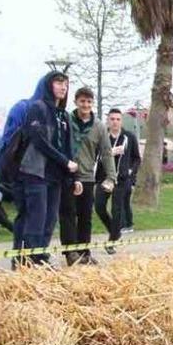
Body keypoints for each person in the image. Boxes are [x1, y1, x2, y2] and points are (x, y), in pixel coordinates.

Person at [13, 71, 79, 268]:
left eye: (66, 84)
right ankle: (26, 261)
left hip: (55, 177)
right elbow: (38, 140)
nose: (63, 87)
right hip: (34, 173)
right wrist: (64, 161)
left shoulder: (64, 116)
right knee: (34, 219)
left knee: (49, 222)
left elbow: (68, 148)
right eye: (58, 82)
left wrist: (73, 176)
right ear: (48, 85)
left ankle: (39, 259)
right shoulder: (38, 108)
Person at [59, 88, 116, 266]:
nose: (86, 105)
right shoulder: (66, 120)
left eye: (89, 102)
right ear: (76, 102)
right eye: (82, 101)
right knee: (68, 214)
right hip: (67, 175)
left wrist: (111, 177)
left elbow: (106, 153)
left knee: (85, 217)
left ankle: (84, 252)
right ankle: (70, 252)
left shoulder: (98, 126)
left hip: (87, 177)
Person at [94, 108, 140, 254]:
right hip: (105, 178)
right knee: (99, 206)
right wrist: (110, 153)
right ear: (108, 120)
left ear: (121, 121)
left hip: (122, 180)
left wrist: (131, 173)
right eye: (112, 119)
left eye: (118, 119)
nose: (115, 122)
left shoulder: (129, 137)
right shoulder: (102, 136)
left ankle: (112, 241)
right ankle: (115, 231)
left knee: (117, 209)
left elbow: (137, 158)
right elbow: (95, 157)